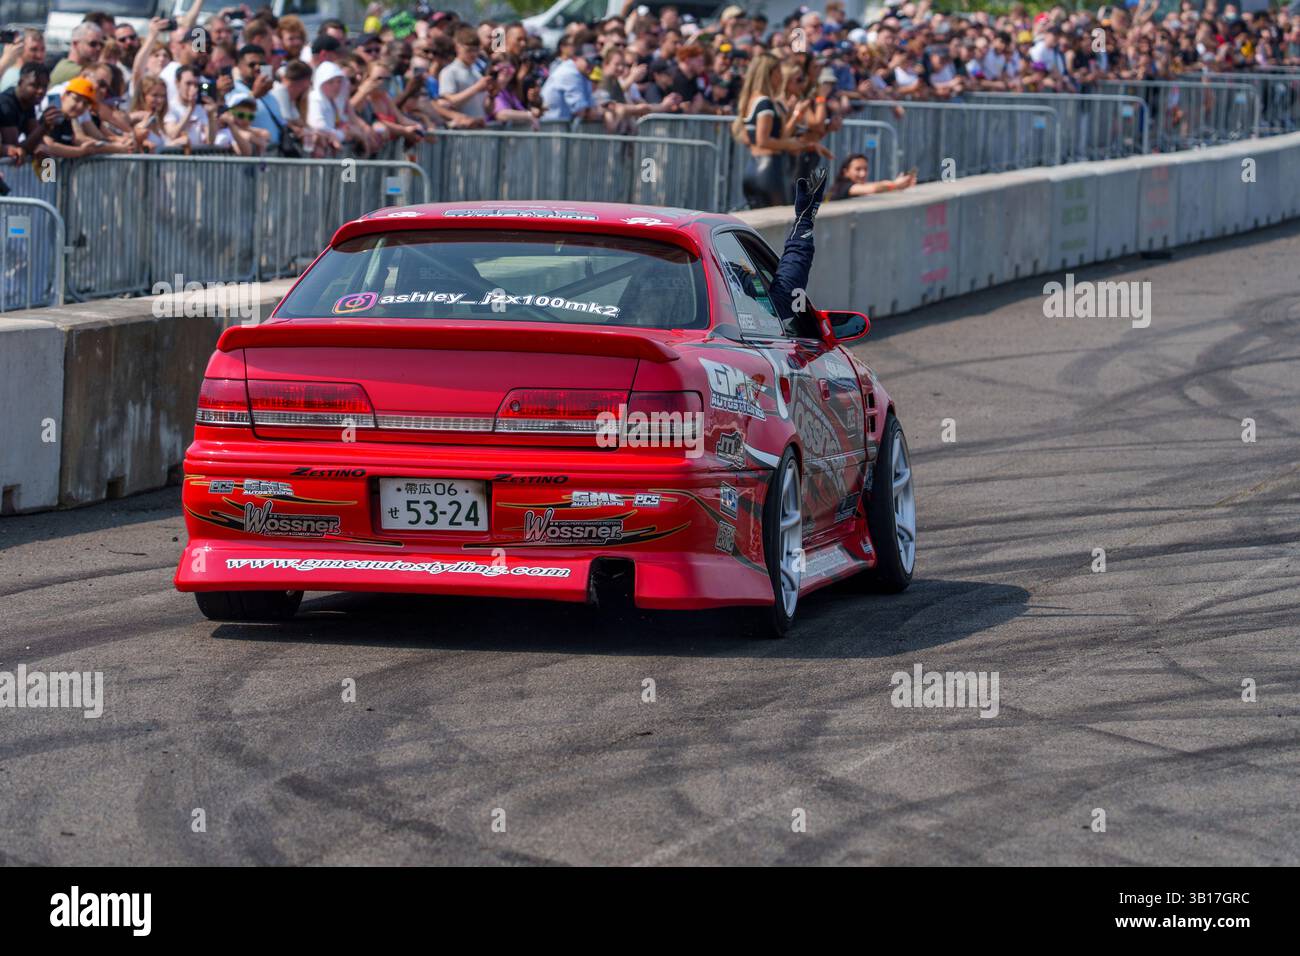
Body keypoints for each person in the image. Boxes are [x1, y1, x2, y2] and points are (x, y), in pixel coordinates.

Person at [732, 52, 830, 209]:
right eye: (777, 71)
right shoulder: (764, 102)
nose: (780, 76)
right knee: (777, 223)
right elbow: (763, 140)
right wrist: (794, 144)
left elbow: (778, 136)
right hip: (768, 169)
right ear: (769, 73)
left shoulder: (752, 99)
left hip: (754, 167)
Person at [829, 153, 916, 200]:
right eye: (858, 169)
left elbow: (874, 186)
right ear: (846, 172)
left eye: (865, 169)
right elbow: (873, 188)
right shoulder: (844, 186)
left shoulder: (853, 185)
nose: (863, 174)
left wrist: (899, 185)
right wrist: (895, 184)